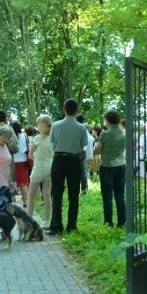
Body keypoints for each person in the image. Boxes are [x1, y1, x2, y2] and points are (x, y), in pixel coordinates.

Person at [47, 98, 89, 236]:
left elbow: (52, 142)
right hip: (74, 160)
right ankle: (71, 226)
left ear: (64, 109)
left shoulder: (56, 125)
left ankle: (56, 226)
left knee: (57, 194)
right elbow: (82, 145)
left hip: (58, 160)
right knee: (74, 195)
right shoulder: (81, 127)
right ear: (77, 110)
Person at [97, 110, 126, 227]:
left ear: (107, 120)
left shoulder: (105, 134)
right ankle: (122, 221)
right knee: (120, 196)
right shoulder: (124, 133)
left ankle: (108, 222)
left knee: (107, 196)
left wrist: (96, 149)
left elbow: (98, 149)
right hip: (121, 165)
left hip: (107, 166)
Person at [26, 114, 54, 221]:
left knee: (31, 195)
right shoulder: (53, 138)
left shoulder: (37, 138)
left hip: (38, 168)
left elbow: (30, 155)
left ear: (44, 125)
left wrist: (36, 158)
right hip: (50, 167)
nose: (37, 126)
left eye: (38, 124)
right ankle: (47, 221)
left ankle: (29, 219)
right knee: (47, 194)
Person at [11, 121, 30, 206]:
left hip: (12, 161)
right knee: (23, 183)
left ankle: (12, 201)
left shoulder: (10, 136)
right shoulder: (24, 136)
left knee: (11, 182)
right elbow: (28, 146)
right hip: (23, 160)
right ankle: (25, 201)